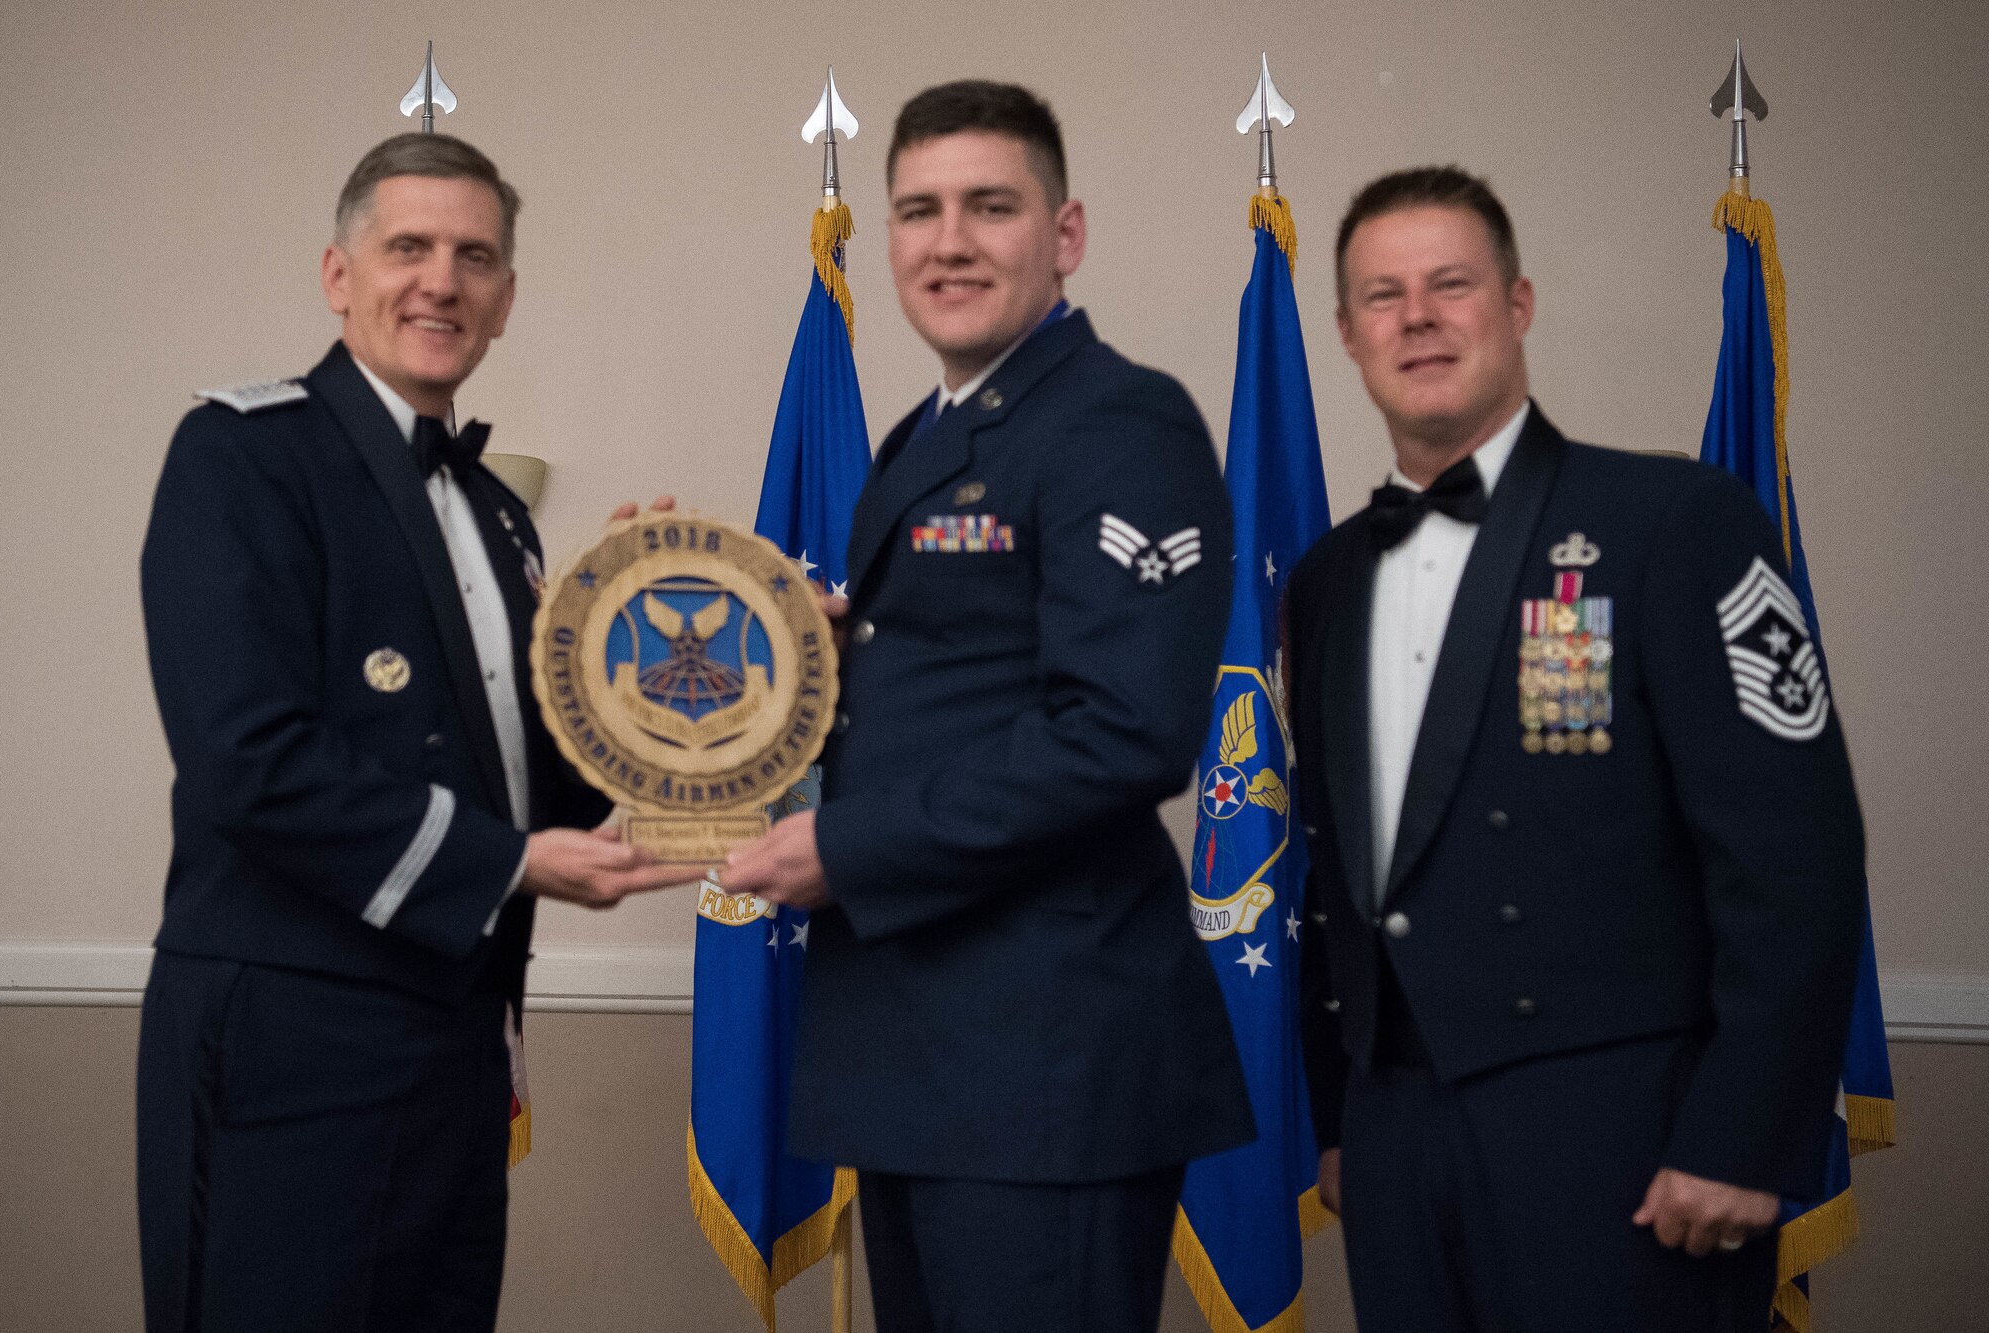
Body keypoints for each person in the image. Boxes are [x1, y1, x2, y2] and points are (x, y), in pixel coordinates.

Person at [1284, 164, 1867, 1332]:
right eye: (1383, 295)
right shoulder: (1325, 577)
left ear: (1516, 302)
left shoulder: (1675, 523)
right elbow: (1334, 868)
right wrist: (1340, 1118)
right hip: (1396, 1131)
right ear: (1345, 333)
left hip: (1625, 1129)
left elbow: (1793, 855)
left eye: (1450, 284)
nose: (1418, 317)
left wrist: (1741, 1135)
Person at [136, 133, 700, 1333]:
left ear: (504, 298)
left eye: (474, 256)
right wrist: (503, 865)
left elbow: (532, 780)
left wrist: (646, 654)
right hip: (295, 1045)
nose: (441, 280)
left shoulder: (500, 515)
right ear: (339, 275)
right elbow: (249, 759)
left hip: (455, 1038)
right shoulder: (242, 456)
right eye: (409, 248)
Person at [718, 81, 1254, 1332]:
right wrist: (767, 633)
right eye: (917, 211)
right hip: (926, 1055)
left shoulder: (1117, 421)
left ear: (1062, 234)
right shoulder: (925, 437)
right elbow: (944, 687)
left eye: (988, 206)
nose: (947, 241)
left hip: (1041, 1063)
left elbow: (1122, 730)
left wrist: (840, 847)